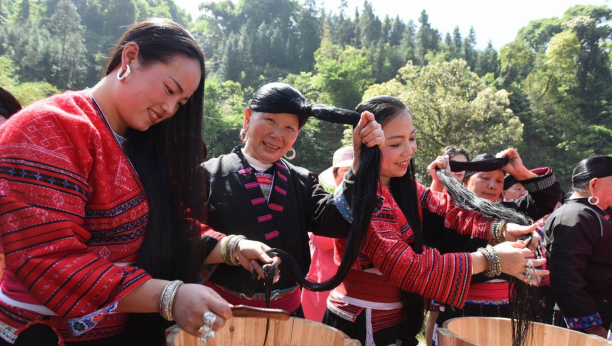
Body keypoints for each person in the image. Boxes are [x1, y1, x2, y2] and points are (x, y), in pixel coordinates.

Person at [0, 18, 273, 345]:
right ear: (129, 58)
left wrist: (233, 247)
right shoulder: (47, 128)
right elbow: (48, 257)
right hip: (44, 334)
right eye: (170, 90)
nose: (170, 108)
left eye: (181, 103)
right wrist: (169, 296)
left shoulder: (141, 144)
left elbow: (164, 228)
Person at [322, 96, 548, 346]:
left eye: (412, 138)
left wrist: (502, 228)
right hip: (363, 322)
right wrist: (493, 258)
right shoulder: (365, 197)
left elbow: (450, 211)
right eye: (396, 143)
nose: (410, 149)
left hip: (394, 317)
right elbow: (408, 268)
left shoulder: (405, 187)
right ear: (365, 145)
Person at [199, 83, 384, 315]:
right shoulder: (207, 175)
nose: (278, 135)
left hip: (287, 314)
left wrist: (359, 161)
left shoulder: (301, 180)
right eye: (270, 121)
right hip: (221, 313)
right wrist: (233, 248)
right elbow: (184, 234)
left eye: (290, 127)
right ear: (247, 118)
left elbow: (338, 219)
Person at [431, 151, 561, 340]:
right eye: (485, 178)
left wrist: (520, 171)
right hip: (463, 309)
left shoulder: (512, 212)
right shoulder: (451, 214)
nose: (492, 185)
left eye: (499, 181)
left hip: (510, 310)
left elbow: (548, 198)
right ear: (465, 182)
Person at [546, 156, 612, 339]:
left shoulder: (599, 213)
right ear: (594, 184)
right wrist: (592, 327)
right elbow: (566, 278)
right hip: (589, 323)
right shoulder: (573, 216)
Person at [302, 146, 353, 322]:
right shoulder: (325, 207)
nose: (353, 177)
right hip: (322, 287)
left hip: (351, 292)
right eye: (348, 171)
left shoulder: (372, 205)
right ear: (336, 175)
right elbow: (323, 240)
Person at [425, 144, 470, 346]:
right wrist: (438, 180)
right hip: (441, 259)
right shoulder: (435, 187)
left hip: (468, 260)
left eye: (463, 164)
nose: (458, 168)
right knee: (435, 311)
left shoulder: (473, 191)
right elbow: (426, 214)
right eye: (454, 163)